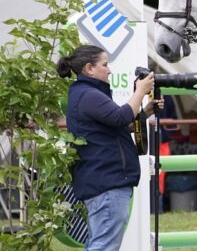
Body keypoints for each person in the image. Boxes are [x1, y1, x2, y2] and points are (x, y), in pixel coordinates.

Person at [57, 45, 158, 250]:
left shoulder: (84, 93)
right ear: (89, 68)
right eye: (105, 64)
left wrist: (145, 112)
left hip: (102, 183)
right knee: (103, 246)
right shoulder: (88, 95)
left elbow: (118, 125)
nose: (109, 70)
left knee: (99, 244)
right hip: (106, 184)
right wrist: (140, 90)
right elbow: (121, 116)